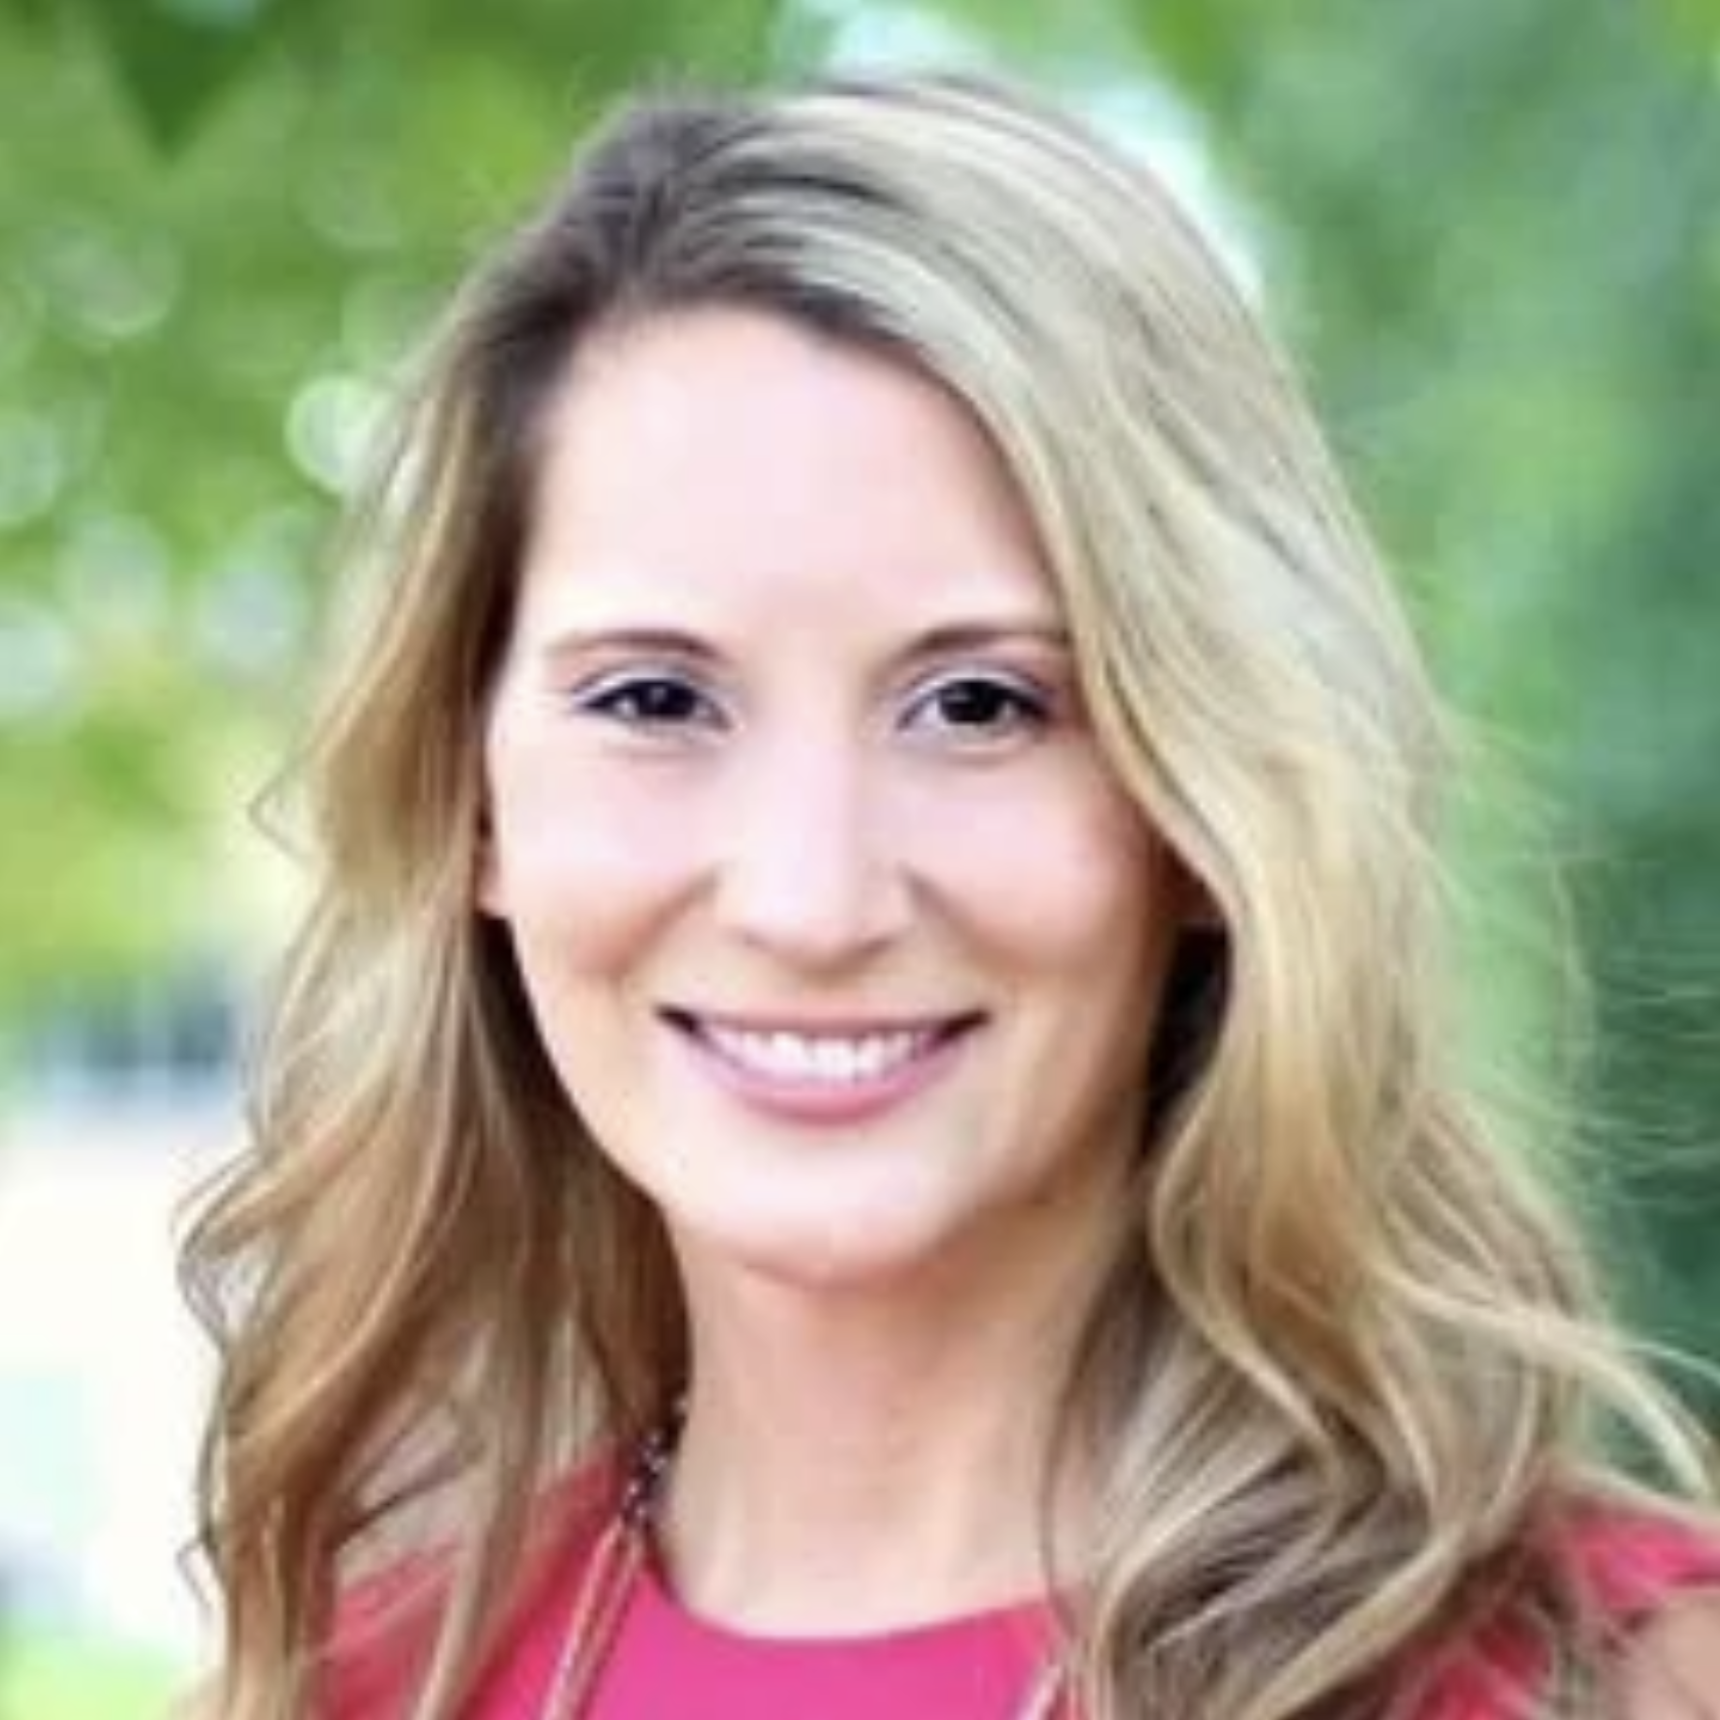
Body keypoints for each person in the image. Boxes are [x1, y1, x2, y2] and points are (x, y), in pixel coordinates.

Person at [180, 71, 1720, 1720]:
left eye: (980, 705)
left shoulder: (1611, 1677)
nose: (810, 899)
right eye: (651, 700)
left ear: (1205, 807)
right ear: (471, 799)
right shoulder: (358, 1681)